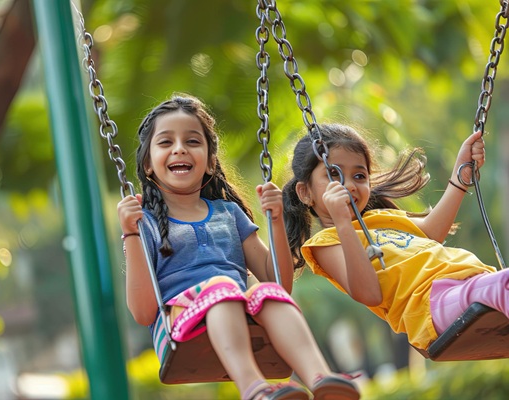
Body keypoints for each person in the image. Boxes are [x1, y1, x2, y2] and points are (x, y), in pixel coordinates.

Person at [117, 95, 361, 400]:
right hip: (179, 323)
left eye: (192, 141)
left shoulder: (229, 214)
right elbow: (143, 313)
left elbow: (279, 284)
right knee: (222, 286)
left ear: (210, 161)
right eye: (166, 142)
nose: (179, 148)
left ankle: (320, 378)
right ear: (148, 164)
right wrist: (131, 233)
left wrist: (275, 220)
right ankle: (253, 389)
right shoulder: (146, 223)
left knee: (266, 294)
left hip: (234, 308)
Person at [282, 123, 509, 354]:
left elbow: (432, 233)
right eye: (334, 174)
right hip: (431, 303)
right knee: (503, 284)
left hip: (471, 280)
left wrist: (461, 173)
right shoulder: (327, 243)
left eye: (359, 176)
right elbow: (369, 294)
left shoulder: (380, 219)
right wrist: (342, 223)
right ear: (305, 193)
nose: (349, 185)